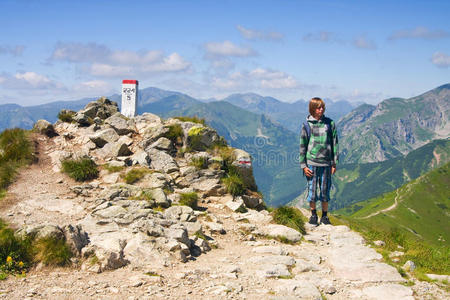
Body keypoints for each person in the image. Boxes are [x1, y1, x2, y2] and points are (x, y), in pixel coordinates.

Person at [299, 97, 338, 225]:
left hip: (326, 163)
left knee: (325, 189)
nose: (321, 109)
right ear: (313, 109)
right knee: (312, 190)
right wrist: (303, 165)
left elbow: (334, 143)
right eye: (318, 107)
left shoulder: (329, 123)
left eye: (323, 107)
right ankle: (313, 215)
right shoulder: (307, 124)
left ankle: (325, 216)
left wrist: (334, 162)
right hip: (311, 163)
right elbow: (302, 145)